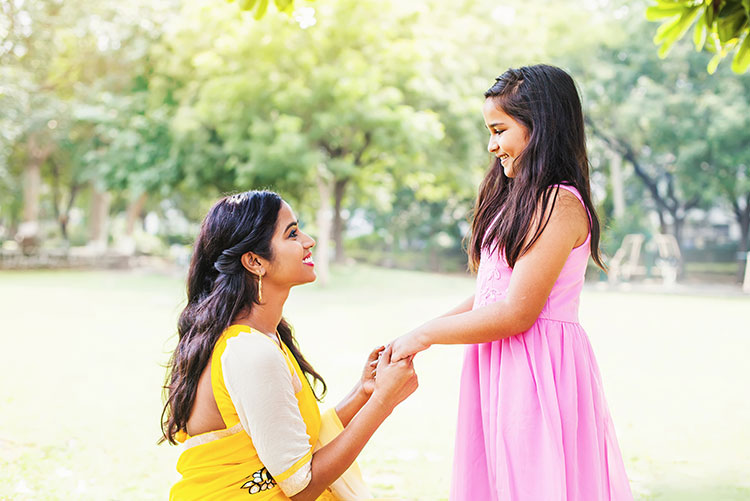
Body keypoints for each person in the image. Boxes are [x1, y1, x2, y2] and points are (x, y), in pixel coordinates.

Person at [390, 65, 633, 500]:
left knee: (532, 483)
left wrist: (424, 336)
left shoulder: (559, 203)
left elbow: (516, 312)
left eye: (499, 130)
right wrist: (413, 334)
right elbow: (491, 293)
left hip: (536, 369)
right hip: (501, 362)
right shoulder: (519, 198)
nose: (491, 145)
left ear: (539, 126)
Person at [161, 190, 418, 500]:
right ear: (255, 261)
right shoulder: (251, 352)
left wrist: (364, 392)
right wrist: (382, 403)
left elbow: (289, 441)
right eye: (292, 234)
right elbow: (300, 485)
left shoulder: (259, 337)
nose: (308, 241)